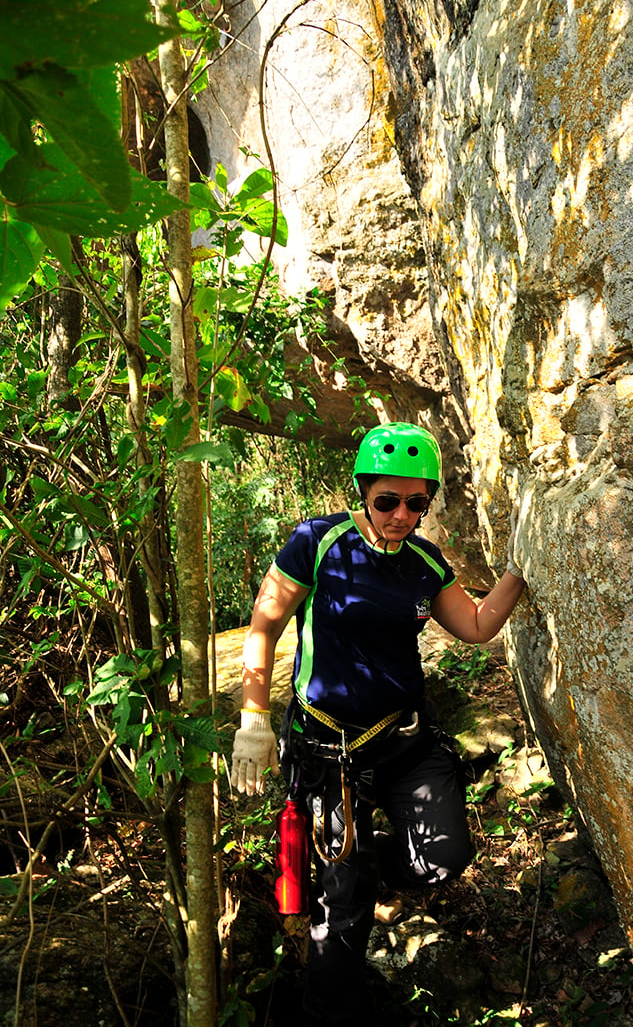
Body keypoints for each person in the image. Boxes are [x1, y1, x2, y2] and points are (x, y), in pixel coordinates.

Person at [231, 422, 525, 1026]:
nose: (400, 515)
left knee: (441, 858)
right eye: (387, 500)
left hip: (404, 742)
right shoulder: (318, 541)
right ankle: (330, 1012)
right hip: (326, 747)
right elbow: (264, 625)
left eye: (416, 503)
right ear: (363, 490)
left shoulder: (423, 561)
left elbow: (474, 626)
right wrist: (253, 718)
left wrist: (522, 571)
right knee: (343, 911)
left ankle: (363, 870)